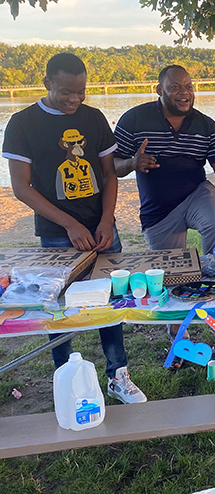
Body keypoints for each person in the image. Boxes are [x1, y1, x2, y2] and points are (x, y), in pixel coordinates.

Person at [2, 52, 146, 403]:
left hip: (100, 231)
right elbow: (22, 188)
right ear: (47, 82)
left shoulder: (94, 118)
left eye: (80, 92)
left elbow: (109, 174)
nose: (74, 99)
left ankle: (118, 375)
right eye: (66, 91)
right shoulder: (22, 123)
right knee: (59, 307)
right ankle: (64, 377)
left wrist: (107, 220)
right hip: (56, 234)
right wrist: (69, 225)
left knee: (110, 301)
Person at [113, 64, 215, 368]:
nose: (184, 93)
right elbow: (112, 165)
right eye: (175, 87)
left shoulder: (206, 125)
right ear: (159, 89)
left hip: (196, 195)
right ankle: (181, 342)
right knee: (170, 278)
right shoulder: (134, 119)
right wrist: (133, 162)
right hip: (158, 211)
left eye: (188, 87)